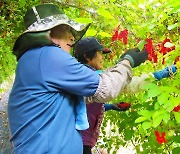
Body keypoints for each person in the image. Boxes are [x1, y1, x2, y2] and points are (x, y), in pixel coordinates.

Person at [8, 4, 148, 154]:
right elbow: (105, 88)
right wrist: (128, 62)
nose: (72, 37)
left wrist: (120, 66)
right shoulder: (49, 55)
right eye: (65, 29)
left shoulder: (34, 59)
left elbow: (78, 94)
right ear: (48, 32)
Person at [74, 37, 177, 154]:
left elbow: (84, 103)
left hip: (82, 141)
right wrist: (158, 75)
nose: (102, 57)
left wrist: (109, 106)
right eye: (99, 53)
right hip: (80, 142)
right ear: (87, 56)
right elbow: (125, 85)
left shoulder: (83, 76)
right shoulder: (87, 78)